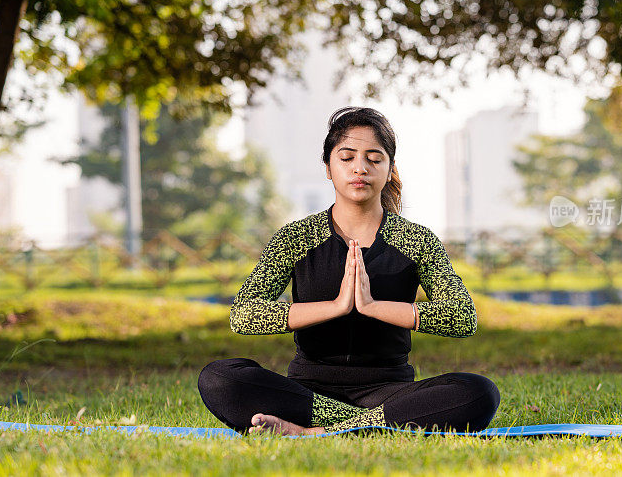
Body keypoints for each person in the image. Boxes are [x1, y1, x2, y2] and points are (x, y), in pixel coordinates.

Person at [197, 107, 500, 436]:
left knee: (479, 391)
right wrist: (335, 307)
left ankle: (313, 431)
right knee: (220, 377)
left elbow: (462, 317)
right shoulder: (295, 237)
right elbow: (244, 314)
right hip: (307, 394)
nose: (360, 168)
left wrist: (373, 307)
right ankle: (360, 426)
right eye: (347, 157)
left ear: (389, 169)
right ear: (328, 167)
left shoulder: (417, 240)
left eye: (374, 158)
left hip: (388, 394)